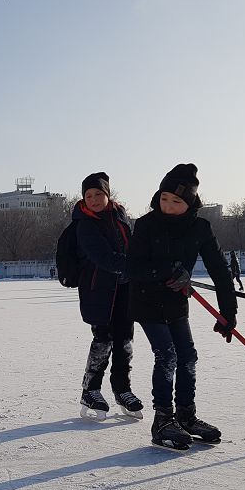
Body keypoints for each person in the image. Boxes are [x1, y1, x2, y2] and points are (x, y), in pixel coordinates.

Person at [128, 163, 236, 450]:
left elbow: (220, 271)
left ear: (189, 203)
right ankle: (163, 420)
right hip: (145, 299)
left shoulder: (200, 228)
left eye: (176, 201)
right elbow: (133, 267)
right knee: (167, 356)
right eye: (164, 198)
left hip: (176, 302)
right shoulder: (146, 224)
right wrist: (166, 271)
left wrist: (228, 313)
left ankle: (186, 416)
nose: (168, 205)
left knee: (188, 357)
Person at [72, 172, 142, 419]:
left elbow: (132, 247)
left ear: (107, 195)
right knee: (104, 338)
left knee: (124, 340)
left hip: (124, 287)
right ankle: (90, 390)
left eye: (98, 194)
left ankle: (122, 389)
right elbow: (102, 257)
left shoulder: (120, 217)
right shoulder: (85, 224)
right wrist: (134, 265)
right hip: (97, 289)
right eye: (88, 195)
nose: (93, 199)